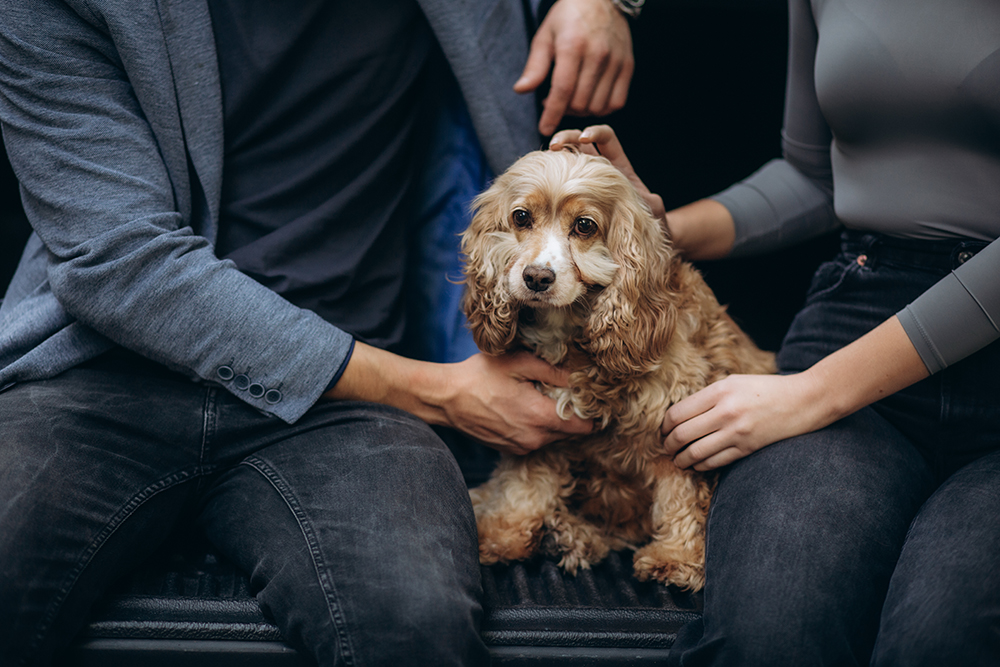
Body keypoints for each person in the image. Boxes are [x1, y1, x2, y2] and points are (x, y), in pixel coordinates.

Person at [0, 0, 636, 664]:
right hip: (99, 375)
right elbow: (121, 264)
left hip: (345, 407)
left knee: (414, 622)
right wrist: (439, 392)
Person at [551, 0, 1000, 664]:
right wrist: (647, 228)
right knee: (767, 633)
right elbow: (815, 178)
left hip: (860, 375)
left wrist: (812, 393)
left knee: (940, 639)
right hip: (859, 313)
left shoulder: (817, 391)